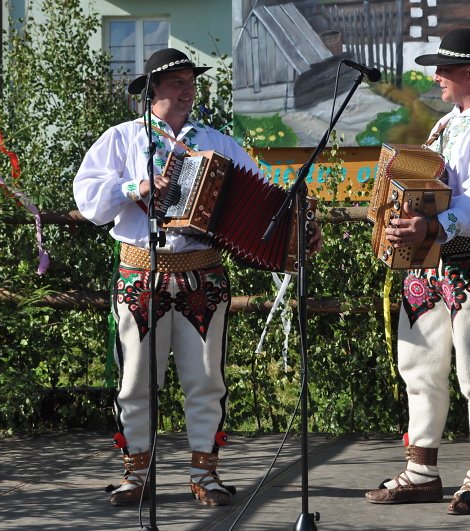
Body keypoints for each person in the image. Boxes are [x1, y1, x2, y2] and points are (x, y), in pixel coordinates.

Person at [73, 48, 320, 508]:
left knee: (205, 379)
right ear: (152, 92)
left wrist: (296, 227)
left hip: (202, 275)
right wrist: (136, 187)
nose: (188, 91)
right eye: (177, 84)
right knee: (136, 382)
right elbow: (88, 197)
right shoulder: (121, 139)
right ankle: (136, 475)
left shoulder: (216, 144)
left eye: (191, 82)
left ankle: (205, 475)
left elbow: (263, 197)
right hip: (139, 272)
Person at [364, 28, 470, 515]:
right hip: (429, 261)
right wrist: (401, 215)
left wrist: (433, 224)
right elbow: (431, 186)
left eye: (444, 69)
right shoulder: (447, 125)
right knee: (418, 366)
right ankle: (421, 471)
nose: (435, 77)